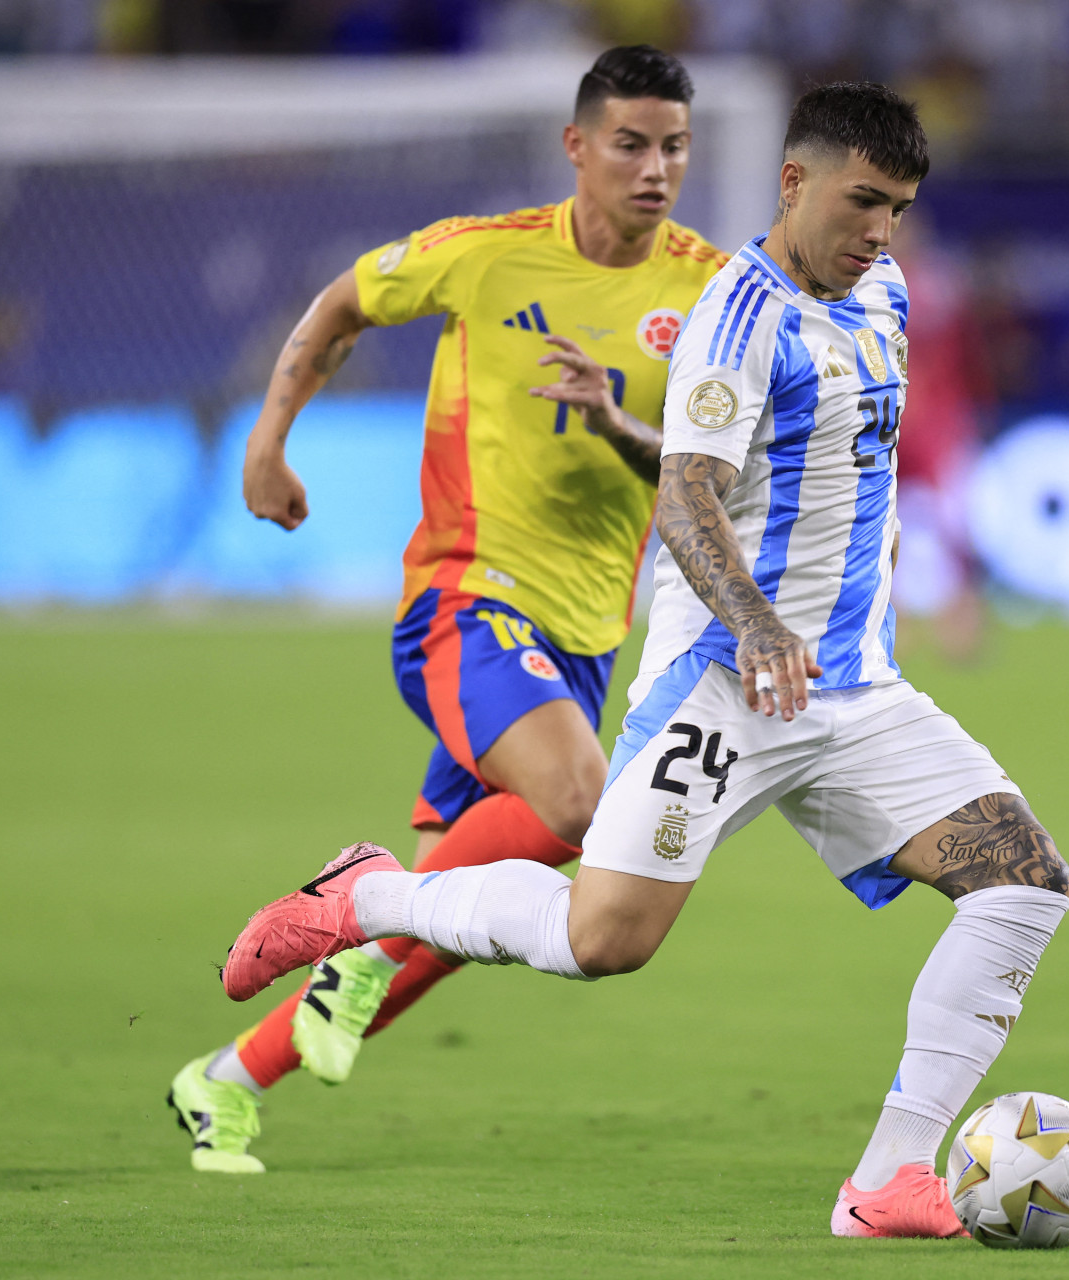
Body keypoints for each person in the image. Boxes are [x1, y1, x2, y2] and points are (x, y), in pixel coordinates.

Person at [220, 83, 1069, 1241]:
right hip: (727, 684)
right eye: (863, 201)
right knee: (601, 940)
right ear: (794, 183)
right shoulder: (740, 314)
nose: (880, 230)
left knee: (1024, 876)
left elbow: (805, 470)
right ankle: (366, 893)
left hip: (856, 690)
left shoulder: (882, 291)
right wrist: (762, 624)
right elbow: (688, 494)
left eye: (900, 206)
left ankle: (887, 1178)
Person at [165, 45, 728, 1174]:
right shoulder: (484, 255)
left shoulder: (709, 291)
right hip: (465, 602)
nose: (655, 167)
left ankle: (220, 1082)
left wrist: (617, 423)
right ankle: (363, 902)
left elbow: (704, 472)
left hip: (581, 637)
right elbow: (340, 307)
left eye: (673, 145)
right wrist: (267, 437)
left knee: (442, 925)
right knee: (579, 807)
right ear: (578, 147)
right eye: (630, 143)